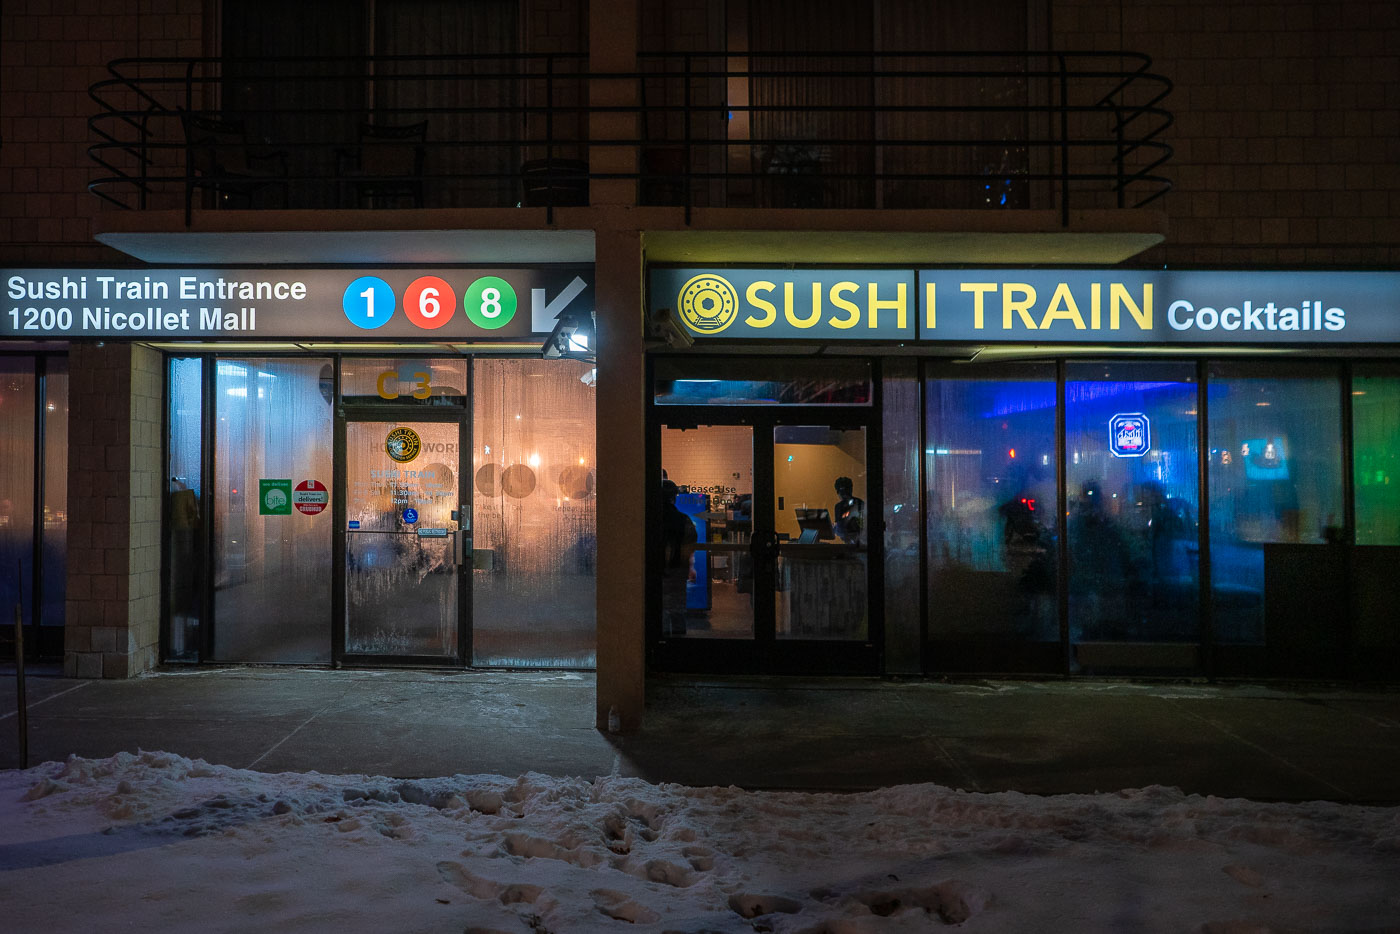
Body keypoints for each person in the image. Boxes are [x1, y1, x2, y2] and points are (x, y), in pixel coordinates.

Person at [660, 479, 698, 635]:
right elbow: (690, 542)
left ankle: (660, 640)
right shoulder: (683, 519)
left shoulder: (649, 519)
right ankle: (677, 645)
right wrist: (690, 567)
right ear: (673, 497)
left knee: (659, 610)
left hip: (657, 571)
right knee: (677, 609)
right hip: (677, 571)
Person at [832, 476, 865, 545]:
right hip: (862, 544)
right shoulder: (860, 503)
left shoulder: (839, 507)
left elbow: (841, 531)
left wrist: (833, 528)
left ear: (838, 492)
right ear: (851, 490)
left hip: (851, 546)